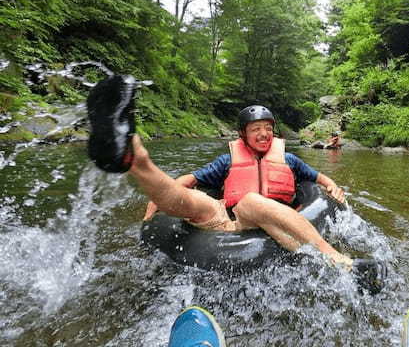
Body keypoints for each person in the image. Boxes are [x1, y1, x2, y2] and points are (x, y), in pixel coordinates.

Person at [87, 75, 386, 294]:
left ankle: (338, 261)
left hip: (272, 217)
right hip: (230, 221)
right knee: (199, 204)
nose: (264, 135)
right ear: (244, 135)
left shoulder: (290, 160)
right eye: (256, 130)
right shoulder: (227, 161)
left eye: (268, 129)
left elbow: (318, 179)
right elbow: (189, 181)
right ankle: (136, 158)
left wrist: (332, 185)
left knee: (252, 201)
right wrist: (160, 201)